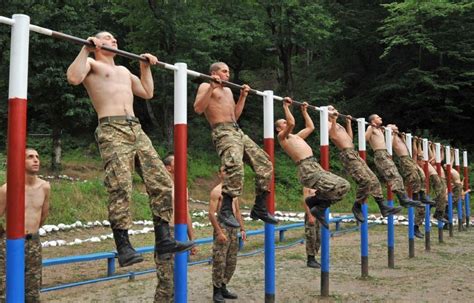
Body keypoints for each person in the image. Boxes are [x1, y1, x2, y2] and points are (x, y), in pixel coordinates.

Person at [67, 32, 194, 267]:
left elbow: (147, 92)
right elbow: (73, 78)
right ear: (96, 42)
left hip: (135, 128)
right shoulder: (91, 64)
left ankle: (164, 238)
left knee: (163, 182)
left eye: (116, 39)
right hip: (111, 128)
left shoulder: (124, 71)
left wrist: (145, 67)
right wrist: (86, 49)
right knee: (121, 186)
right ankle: (123, 246)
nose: (113, 40)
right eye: (107, 38)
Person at [194, 62, 277, 228]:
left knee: (265, 163)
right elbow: (198, 108)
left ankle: (260, 207)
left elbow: (235, 116)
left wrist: (243, 97)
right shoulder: (206, 85)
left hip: (237, 131)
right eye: (224, 71)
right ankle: (225, 209)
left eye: (228, 72)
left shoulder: (228, 90)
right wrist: (211, 87)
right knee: (235, 164)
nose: (228, 75)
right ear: (214, 73)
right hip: (222, 131)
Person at [275, 98, 350, 228]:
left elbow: (311, 127)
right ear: (278, 128)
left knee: (344, 186)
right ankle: (315, 203)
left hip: (315, 165)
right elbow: (291, 123)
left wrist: (304, 111)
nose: (286, 122)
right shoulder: (282, 137)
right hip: (307, 168)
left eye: (285, 120)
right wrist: (286, 107)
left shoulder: (296, 136)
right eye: (283, 122)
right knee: (339, 185)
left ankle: (317, 204)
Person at [328, 106, 402, 222]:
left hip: (353, 152)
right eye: (330, 109)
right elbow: (332, 136)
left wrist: (347, 123)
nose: (334, 110)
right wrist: (333, 120)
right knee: (365, 181)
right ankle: (357, 206)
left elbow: (350, 138)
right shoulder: (328, 124)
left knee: (374, 179)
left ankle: (383, 207)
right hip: (346, 154)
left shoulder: (338, 125)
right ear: (326, 112)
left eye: (334, 108)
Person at [0, 148, 50, 302]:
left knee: (32, 291)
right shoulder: (7, 189)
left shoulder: (45, 187)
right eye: (30, 157)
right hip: (10, 243)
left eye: (37, 157)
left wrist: (32, 231)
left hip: (33, 243)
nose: (36, 160)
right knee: (4, 289)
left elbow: (43, 215)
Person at [154, 154, 198, 303]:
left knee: (178, 280)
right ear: (168, 168)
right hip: (167, 234)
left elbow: (186, 213)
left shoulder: (182, 187)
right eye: (176, 162)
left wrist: (192, 239)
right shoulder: (160, 187)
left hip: (180, 234)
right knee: (166, 282)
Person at [365, 114, 422, 208]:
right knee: (394, 176)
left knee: (397, 176)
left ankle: (403, 198)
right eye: (378, 117)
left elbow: (389, 132)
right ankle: (403, 199)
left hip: (385, 154)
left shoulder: (380, 129)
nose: (381, 118)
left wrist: (391, 130)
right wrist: (371, 128)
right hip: (380, 154)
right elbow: (365, 138)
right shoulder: (372, 128)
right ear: (372, 120)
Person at [209, 166, 245, 302]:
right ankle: (216, 290)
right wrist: (218, 231)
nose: (227, 173)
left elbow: (237, 212)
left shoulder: (233, 192)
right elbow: (211, 213)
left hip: (233, 228)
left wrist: (242, 228)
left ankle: (224, 286)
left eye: (228, 171)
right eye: (224, 171)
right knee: (220, 260)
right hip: (222, 227)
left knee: (231, 260)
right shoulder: (216, 191)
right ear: (219, 174)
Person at [303, 188, 321, 268]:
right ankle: (310, 259)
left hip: (319, 213)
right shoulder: (307, 186)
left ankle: (314, 256)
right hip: (311, 213)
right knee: (311, 235)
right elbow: (305, 201)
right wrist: (310, 215)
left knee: (318, 236)